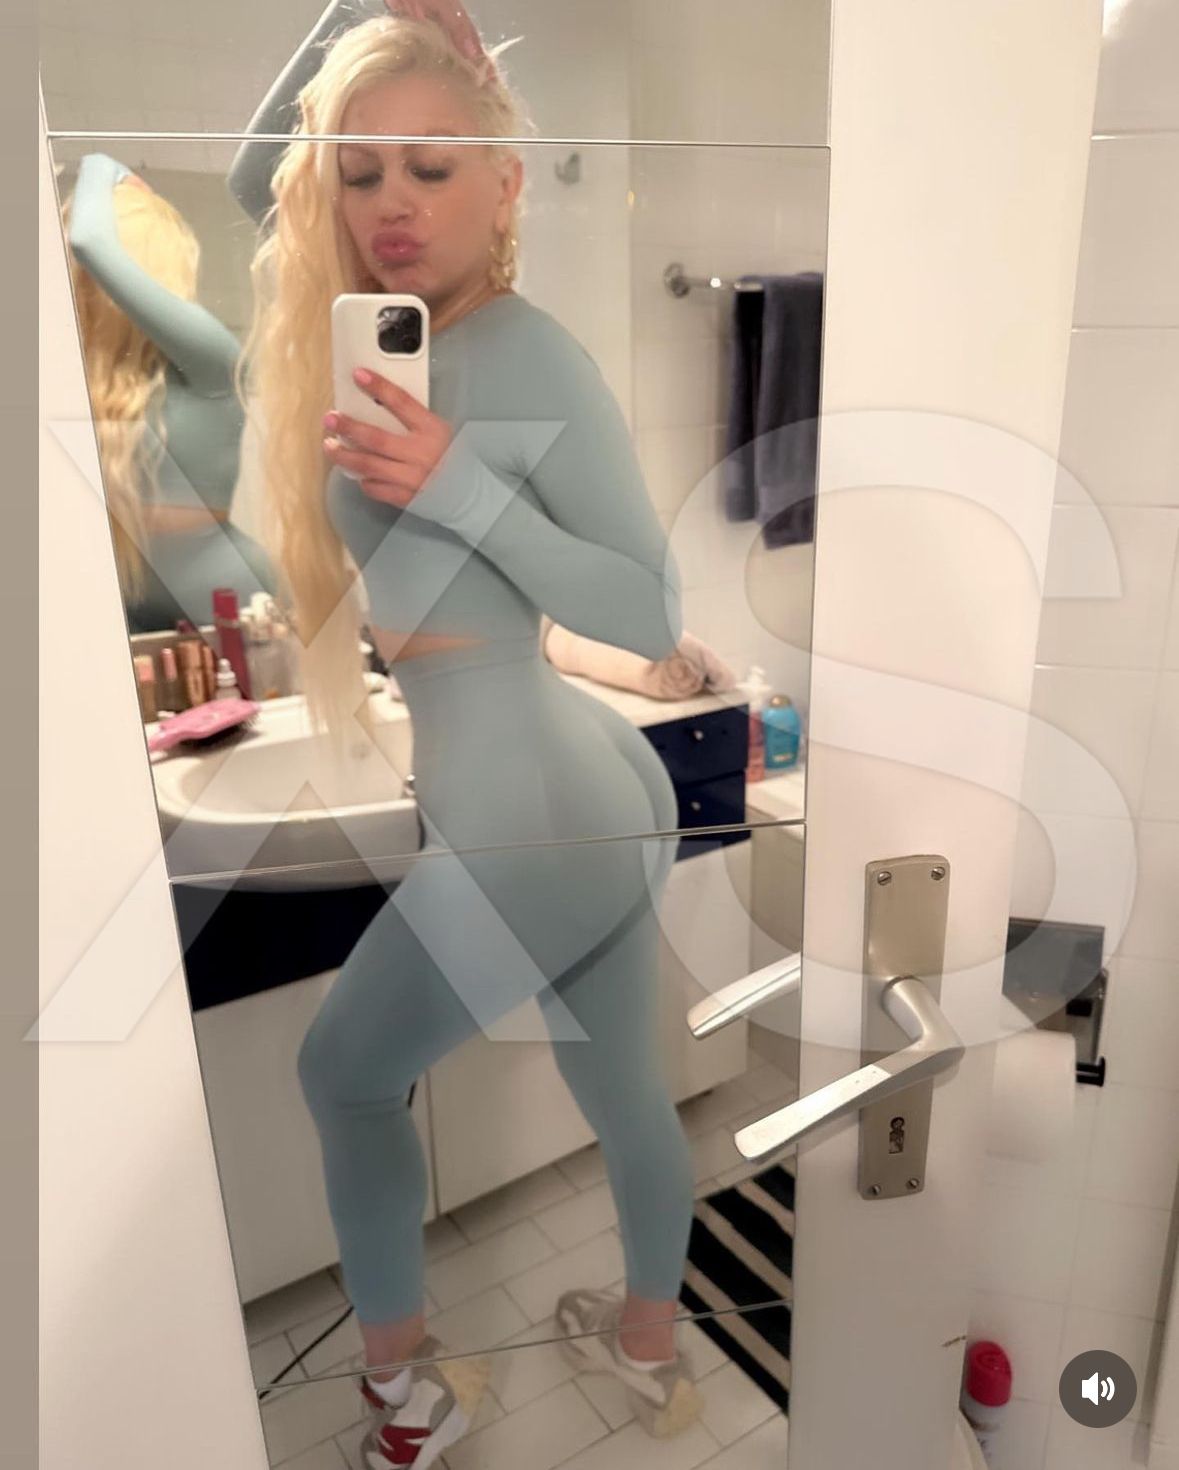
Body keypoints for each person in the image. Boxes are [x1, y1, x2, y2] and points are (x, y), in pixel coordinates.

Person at [228, 4, 701, 1462]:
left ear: (503, 185)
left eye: (433, 168)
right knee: (617, 1082)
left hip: (532, 805)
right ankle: (648, 1351)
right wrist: (365, 15)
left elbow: (645, 610)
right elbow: (256, 177)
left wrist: (457, 490)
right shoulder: (402, 344)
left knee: (343, 1074)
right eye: (362, 172)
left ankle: (406, 1396)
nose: (392, 204)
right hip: (569, 784)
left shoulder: (523, 352)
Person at [64, 153, 278, 635]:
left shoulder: (211, 363)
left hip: (234, 597)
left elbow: (89, 240)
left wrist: (102, 165)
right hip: (128, 600)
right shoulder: (82, 386)